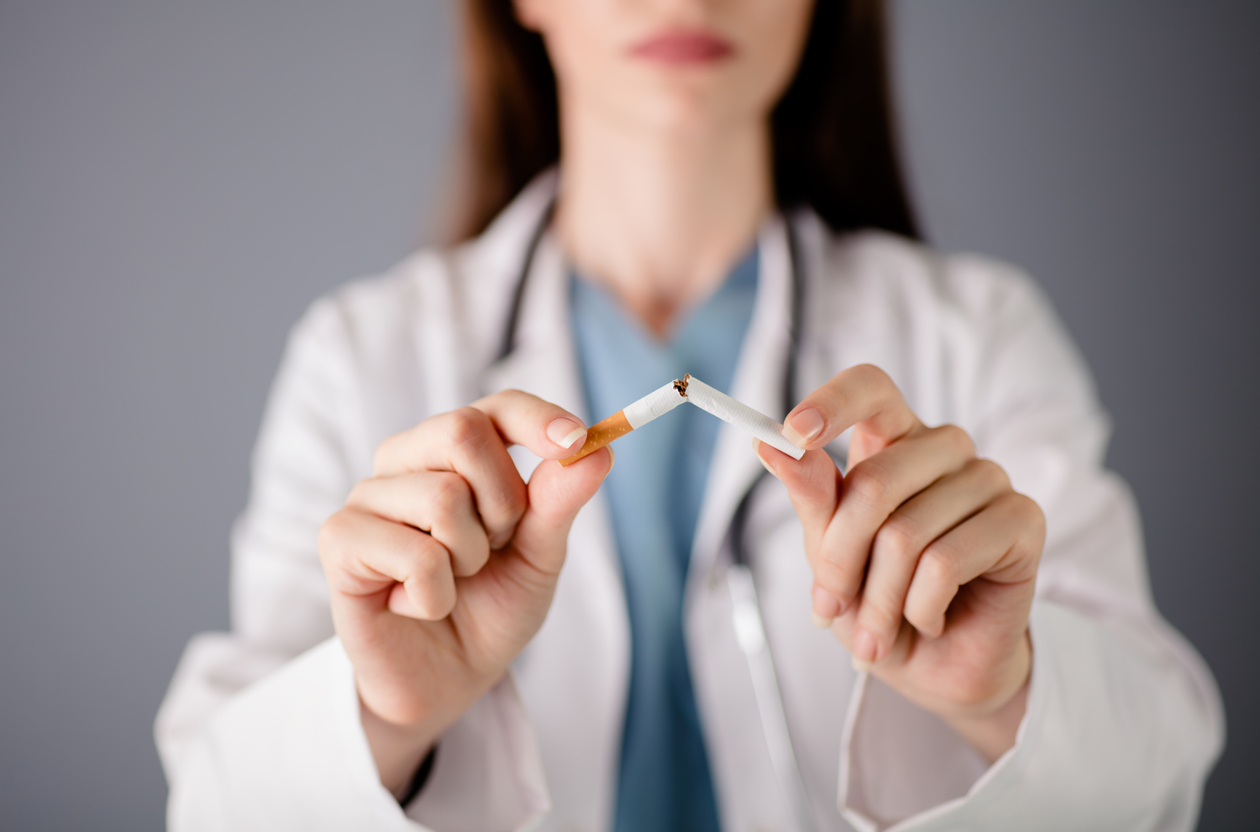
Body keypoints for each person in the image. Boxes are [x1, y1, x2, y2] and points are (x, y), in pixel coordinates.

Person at [155, 1, 1224, 830]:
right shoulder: (360, 357)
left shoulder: (975, 333)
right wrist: (389, 720)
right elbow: (212, 804)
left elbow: (1161, 773)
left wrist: (1004, 694)